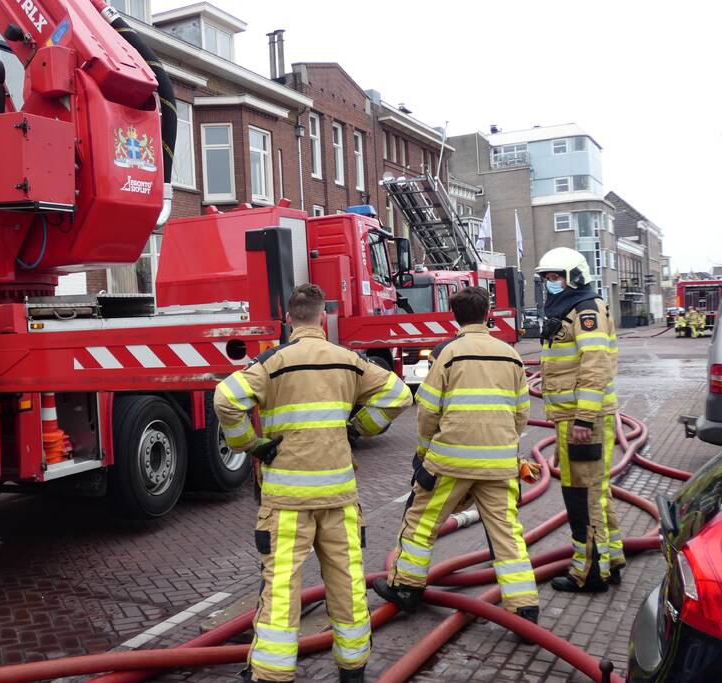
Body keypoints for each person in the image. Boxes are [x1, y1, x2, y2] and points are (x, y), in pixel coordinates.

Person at [214, 283, 412, 683]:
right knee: (347, 581)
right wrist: (358, 427)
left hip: (287, 501)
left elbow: (225, 399)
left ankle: (272, 674)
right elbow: (399, 394)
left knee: (282, 587)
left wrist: (251, 444)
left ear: (289, 320)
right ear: (322, 317)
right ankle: (353, 667)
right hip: (339, 498)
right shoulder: (348, 361)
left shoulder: (272, 363)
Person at [373, 286, 539, 628]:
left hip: (450, 462)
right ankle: (524, 607)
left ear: (454, 315)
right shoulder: (510, 355)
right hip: (499, 464)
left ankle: (406, 588)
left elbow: (428, 411)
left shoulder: (448, 354)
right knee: (506, 531)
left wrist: (424, 455)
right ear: (487, 312)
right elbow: (522, 412)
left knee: (420, 522)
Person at [535, 247, 624, 592]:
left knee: (583, 496)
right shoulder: (572, 307)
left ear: (574, 276)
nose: (550, 283)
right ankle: (610, 559)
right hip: (572, 420)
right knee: (597, 494)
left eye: (555, 276)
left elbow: (595, 363)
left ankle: (587, 573)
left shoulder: (586, 310)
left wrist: (584, 420)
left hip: (581, 422)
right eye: (546, 278)